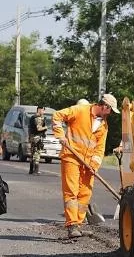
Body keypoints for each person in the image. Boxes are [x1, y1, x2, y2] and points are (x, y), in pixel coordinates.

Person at [52, 94, 118, 239]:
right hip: (71, 156)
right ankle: (72, 225)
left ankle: (79, 224)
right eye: (111, 110)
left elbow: (100, 149)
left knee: (85, 193)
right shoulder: (80, 110)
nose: (111, 114)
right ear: (104, 106)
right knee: (72, 191)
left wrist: (94, 165)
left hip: (87, 163)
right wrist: (60, 135)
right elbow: (57, 116)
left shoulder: (104, 126)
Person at [28, 106, 47, 175]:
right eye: (43, 110)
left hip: (32, 137)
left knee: (32, 153)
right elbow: (39, 129)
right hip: (37, 138)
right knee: (37, 153)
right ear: (39, 110)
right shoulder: (38, 118)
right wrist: (45, 127)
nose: (43, 112)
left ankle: (31, 170)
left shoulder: (33, 117)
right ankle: (36, 170)